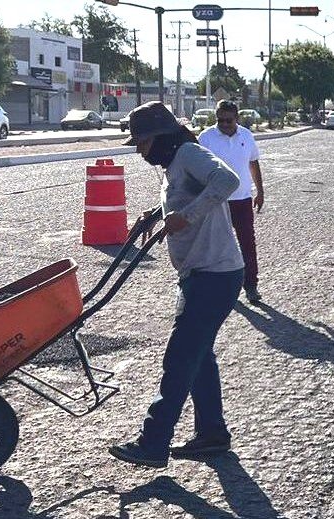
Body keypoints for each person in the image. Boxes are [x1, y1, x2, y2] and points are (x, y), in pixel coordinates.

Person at [109, 101, 244, 468]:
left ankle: (153, 443)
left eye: (143, 142)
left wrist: (186, 217)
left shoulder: (188, 153)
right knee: (198, 356)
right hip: (203, 273)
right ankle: (212, 434)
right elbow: (187, 193)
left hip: (214, 275)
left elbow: (227, 181)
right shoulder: (174, 162)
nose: (140, 151)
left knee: (180, 357)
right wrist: (158, 214)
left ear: (161, 137)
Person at [198, 99, 264, 304]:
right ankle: (218, 288)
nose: (224, 124)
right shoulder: (206, 138)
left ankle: (251, 285)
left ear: (237, 118)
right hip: (216, 202)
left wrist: (260, 191)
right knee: (216, 246)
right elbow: (197, 169)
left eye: (229, 120)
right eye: (220, 120)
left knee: (247, 244)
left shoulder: (246, 135)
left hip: (242, 200)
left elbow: (253, 163)